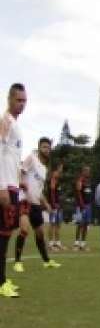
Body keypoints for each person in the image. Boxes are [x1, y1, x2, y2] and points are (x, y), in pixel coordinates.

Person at [13, 137, 61, 272]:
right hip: (24, 200)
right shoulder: (31, 158)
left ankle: (46, 261)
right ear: (39, 147)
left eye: (48, 147)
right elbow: (20, 172)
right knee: (24, 229)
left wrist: (46, 204)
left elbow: (39, 191)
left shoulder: (44, 169)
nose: (47, 149)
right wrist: (21, 183)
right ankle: (17, 262)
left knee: (40, 234)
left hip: (35, 204)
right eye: (44, 147)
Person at [0, 83, 27, 298]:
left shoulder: (16, 125)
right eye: (19, 100)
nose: (22, 104)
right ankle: (0, 283)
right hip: (5, 187)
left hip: (13, 186)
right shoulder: (6, 122)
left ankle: (2, 279)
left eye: (24, 100)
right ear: (10, 99)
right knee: (2, 235)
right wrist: (2, 187)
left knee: (7, 234)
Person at [74, 165, 93, 251]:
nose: (88, 172)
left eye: (89, 171)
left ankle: (83, 243)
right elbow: (78, 193)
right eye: (87, 171)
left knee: (86, 224)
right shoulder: (80, 180)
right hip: (81, 206)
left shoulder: (88, 181)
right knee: (80, 224)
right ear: (83, 171)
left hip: (88, 205)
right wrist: (82, 205)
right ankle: (77, 243)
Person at [47, 160, 64, 251]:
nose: (62, 169)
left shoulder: (58, 179)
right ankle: (50, 244)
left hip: (59, 205)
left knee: (58, 224)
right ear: (57, 168)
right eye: (61, 167)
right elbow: (52, 193)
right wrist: (53, 204)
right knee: (52, 224)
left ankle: (57, 243)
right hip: (54, 205)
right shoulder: (53, 178)